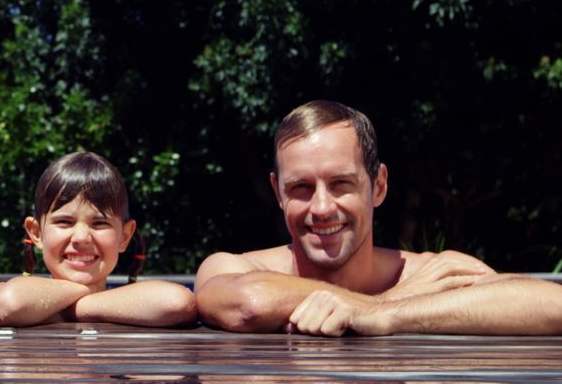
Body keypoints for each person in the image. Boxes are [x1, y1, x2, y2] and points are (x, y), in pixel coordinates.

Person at [195, 99, 562, 336]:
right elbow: (250, 304)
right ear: (278, 193)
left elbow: (551, 306)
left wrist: (388, 313)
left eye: (341, 184)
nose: (322, 208)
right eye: (302, 188)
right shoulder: (236, 266)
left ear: (379, 186)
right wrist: (386, 301)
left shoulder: (430, 274)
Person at [0, 151, 197, 327]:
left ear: (125, 236)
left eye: (99, 223)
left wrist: (76, 307)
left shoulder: (138, 305)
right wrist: (83, 294)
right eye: (64, 222)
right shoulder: (16, 296)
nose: (81, 238)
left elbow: (178, 303)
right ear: (36, 233)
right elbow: (7, 304)